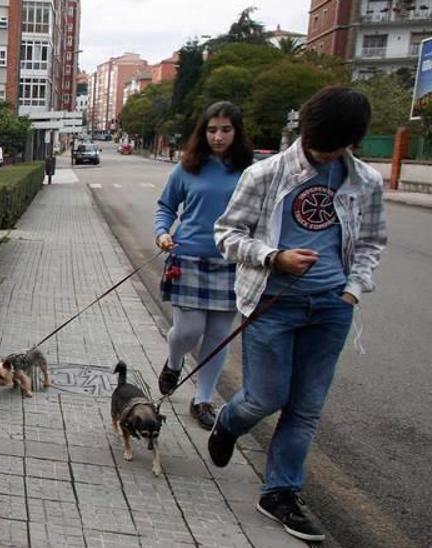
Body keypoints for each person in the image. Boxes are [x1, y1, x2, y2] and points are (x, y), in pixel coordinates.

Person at [210, 87, 387, 542]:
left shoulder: (365, 181)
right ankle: (228, 421)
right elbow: (226, 235)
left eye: (338, 147)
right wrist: (274, 257)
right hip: (273, 304)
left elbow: (370, 243)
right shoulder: (265, 174)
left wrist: (351, 291)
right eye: (320, 145)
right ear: (305, 131)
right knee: (264, 397)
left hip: (331, 308)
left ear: (352, 142)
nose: (326, 155)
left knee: (306, 408)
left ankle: (280, 493)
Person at [155, 102, 254, 430]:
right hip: (188, 257)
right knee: (188, 330)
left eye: (226, 130)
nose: (218, 136)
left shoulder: (250, 172)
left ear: (237, 132)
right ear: (203, 131)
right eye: (212, 129)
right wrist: (162, 233)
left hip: (232, 262)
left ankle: (203, 400)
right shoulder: (187, 167)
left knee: (218, 335)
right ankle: (174, 362)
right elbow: (166, 206)